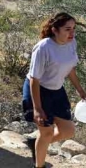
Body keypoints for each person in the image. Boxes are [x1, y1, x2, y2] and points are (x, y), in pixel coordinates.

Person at [22, 12, 86, 168]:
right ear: (55, 30)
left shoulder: (72, 42)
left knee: (68, 131)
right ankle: (40, 165)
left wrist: (80, 90)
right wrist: (37, 109)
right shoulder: (44, 47)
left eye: (73, 29)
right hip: (38, 91)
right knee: (47, 133)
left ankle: (36, 143)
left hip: (57, 90)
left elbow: (70, 68)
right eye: (67, 29)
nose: (72, 33)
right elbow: (34, 79)